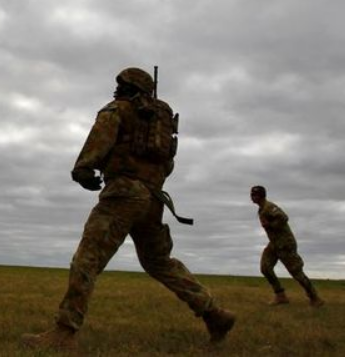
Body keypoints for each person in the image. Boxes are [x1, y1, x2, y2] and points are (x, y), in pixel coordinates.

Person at [22, 67, 235, 352]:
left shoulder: (117, 110)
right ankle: (215, 314)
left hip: (122, 195)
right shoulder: (162, 125)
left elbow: (98, 141)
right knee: (160, 263)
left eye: (120, 84)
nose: (116, 89)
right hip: (153, 200)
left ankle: (64, 331)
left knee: (87, 259)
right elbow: (167, 166)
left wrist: (83, 169)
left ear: (127, 86)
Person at [250, 185, 324, 307]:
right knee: (265, 268)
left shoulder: (269, 207)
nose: (252, 197)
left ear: (262, 195)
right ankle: (280, 295)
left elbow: (284, 218)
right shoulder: (261, 209)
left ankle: (314, 297)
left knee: (296, 273)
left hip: (285, 244)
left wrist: (270, 224)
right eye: (251, 195)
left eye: (255, 195)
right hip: (274, 244)